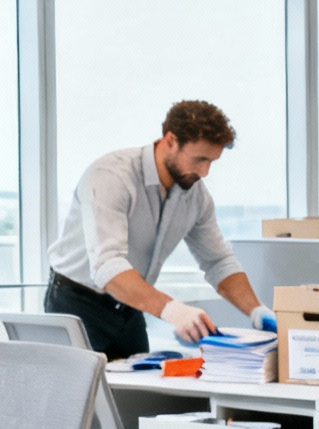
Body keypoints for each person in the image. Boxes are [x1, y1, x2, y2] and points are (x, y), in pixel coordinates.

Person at [45, 100, 276, 359]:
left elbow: (219, 261)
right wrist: (175, 311)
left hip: (130, 305)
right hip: (77, 301)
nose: (205, 171)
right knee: (80, 393)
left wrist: (256, 310)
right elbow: (108, 267)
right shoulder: (112, 176)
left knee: (137, 393)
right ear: (170, 140)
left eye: (212, 161)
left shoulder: (196, 196)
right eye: (199, 159)